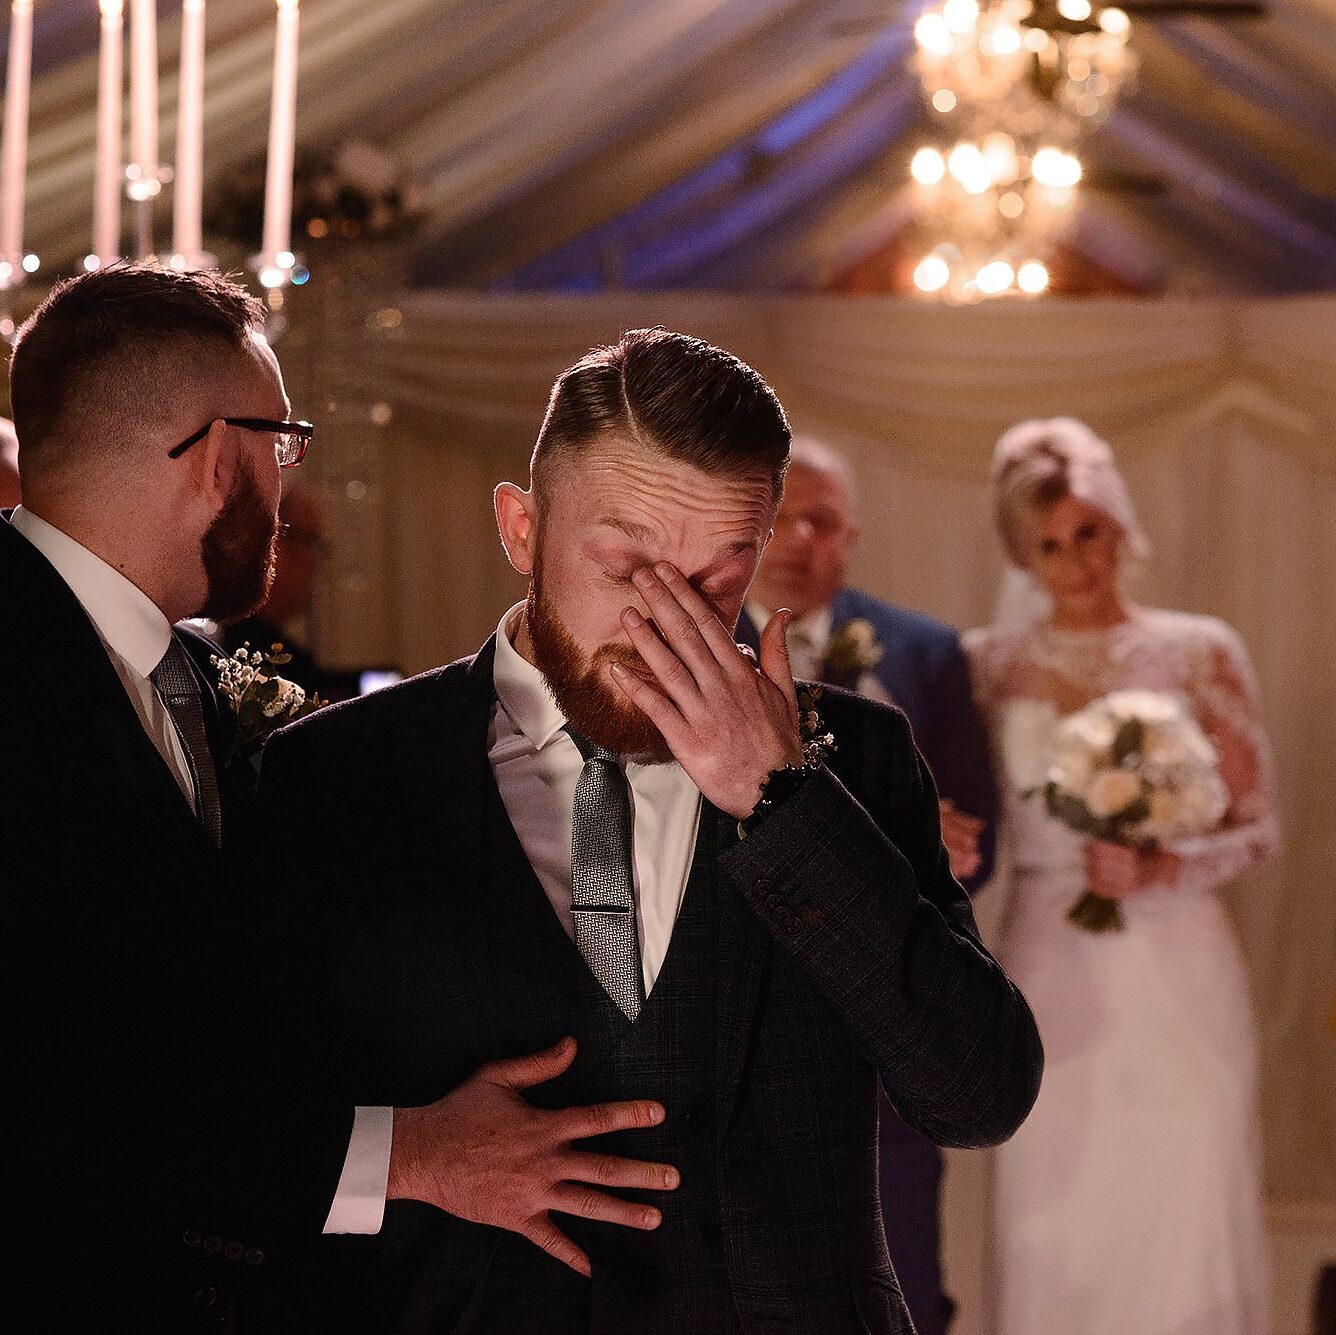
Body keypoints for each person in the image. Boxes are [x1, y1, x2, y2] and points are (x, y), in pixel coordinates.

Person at [254, 326, 1043, 1333]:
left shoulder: (859, 755)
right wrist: (403, 1153)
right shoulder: (338, 776)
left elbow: (978, 1094)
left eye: (719, 575)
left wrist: (783, 804)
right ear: (520, 530)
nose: (666, 618)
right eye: (625, 562)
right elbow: (224, 1133)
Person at [0, 266, 682, 1333]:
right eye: (280, 446)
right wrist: (405, 1154)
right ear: (221, 458)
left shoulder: (175, 672)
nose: (284, 482)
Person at [963, 417, 1277, 1335]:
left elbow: (1259, 828)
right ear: (1023, 553)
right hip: (1047, 957)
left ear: (1119, 525)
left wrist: (1165, 863)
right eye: (1046, 544)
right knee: (1057, 1196)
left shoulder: (1198, 650)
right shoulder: (989, 665)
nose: (1071, 562)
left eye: (1086, 533)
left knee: (1186, 1180)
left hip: (1178, 954)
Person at [737, 434, 999, 1335]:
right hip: (742, 988)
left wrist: (955, 845)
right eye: (782, 518)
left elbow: (983, 829)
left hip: (889, 999)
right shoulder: (687, 644)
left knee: (900, 1243)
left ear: (853, 535)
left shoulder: (924, 650)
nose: (799, 539)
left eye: (824, 520)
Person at [218, 484, 367, 703]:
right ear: (275, 543)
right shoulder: (226, 645)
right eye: (313, 543)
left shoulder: (284, 652)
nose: (317, 562)